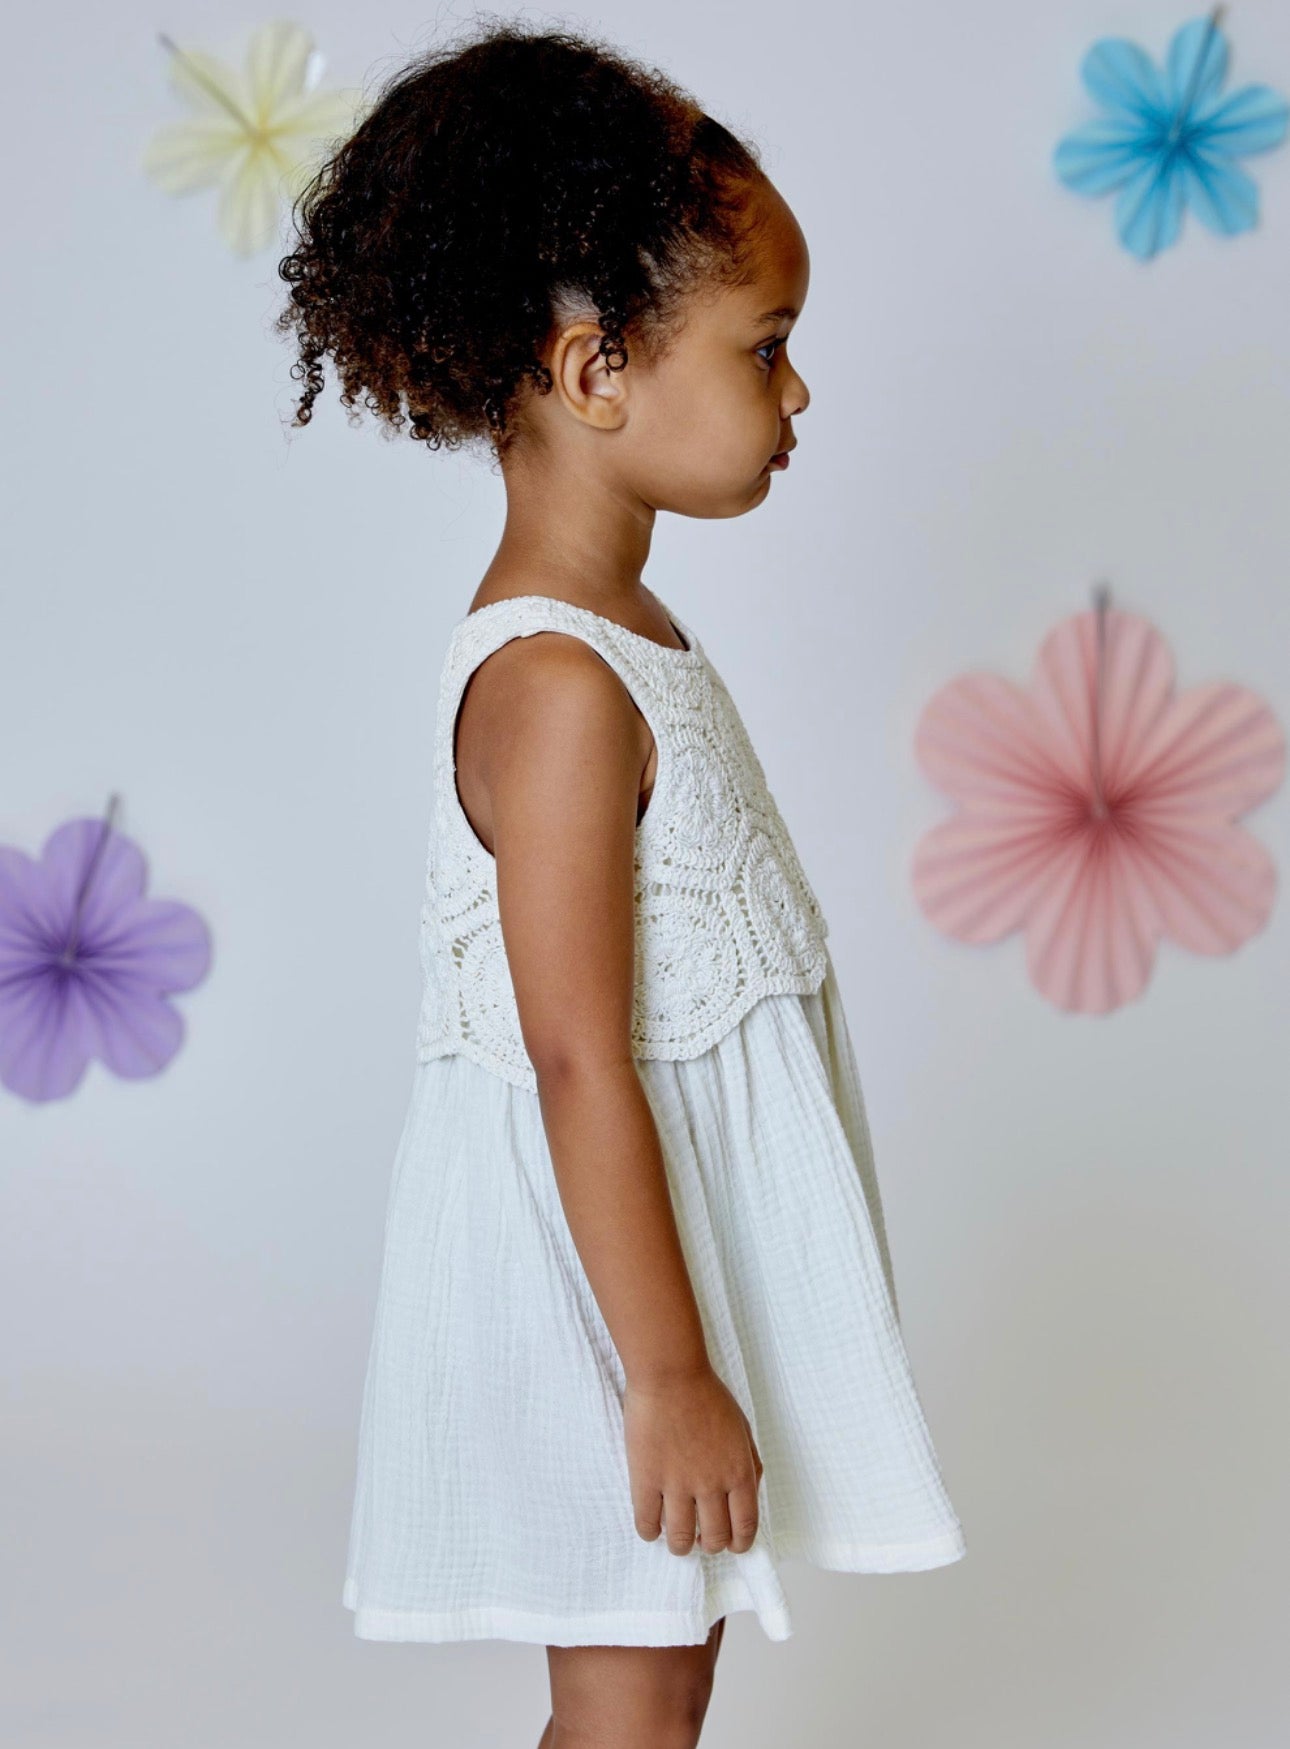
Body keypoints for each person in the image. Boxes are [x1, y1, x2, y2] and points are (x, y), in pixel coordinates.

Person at [276, 17, 965, 1747]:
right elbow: (574, 1052)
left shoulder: (620, 635)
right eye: (767, 346)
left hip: (657, 1263)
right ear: (596, 373)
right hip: (596, 1307)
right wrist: (663, 1372)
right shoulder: (558, 685)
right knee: (632, 1710)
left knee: (659, 1694)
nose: (796, 394)